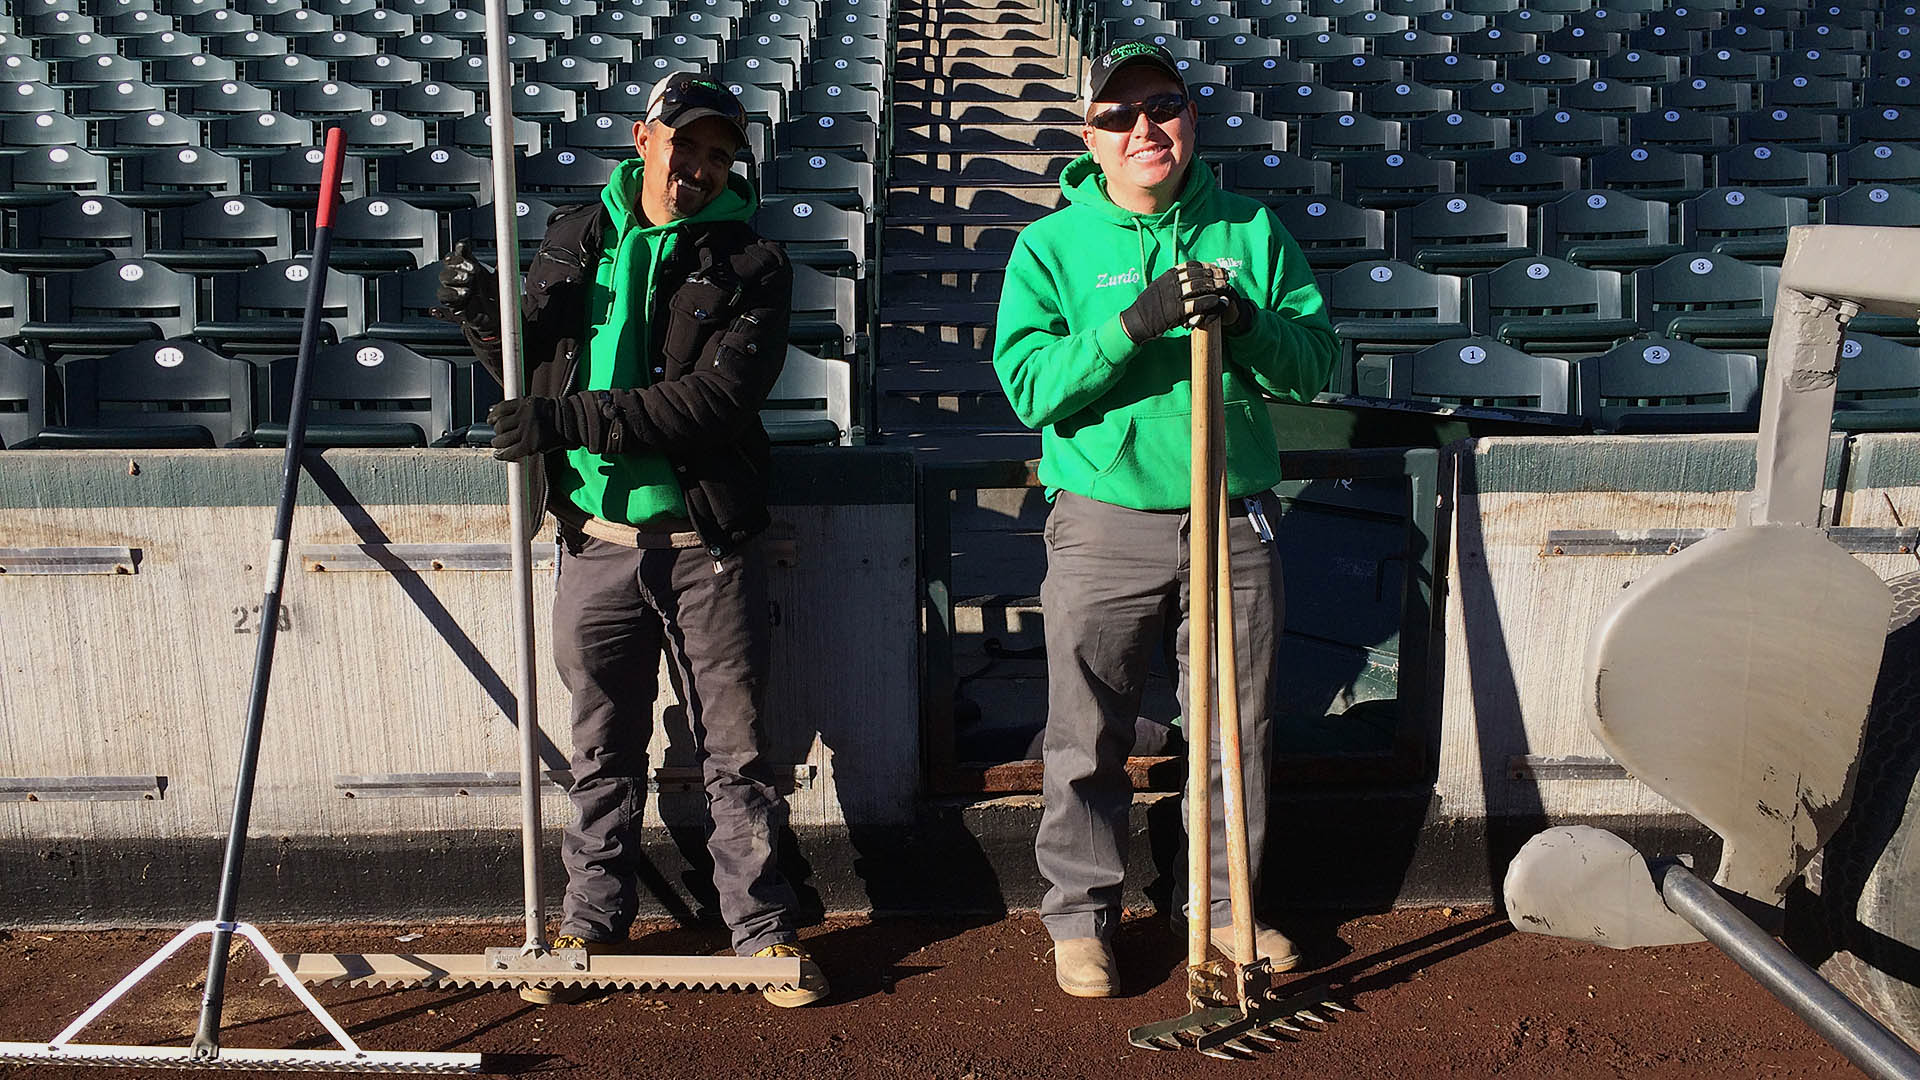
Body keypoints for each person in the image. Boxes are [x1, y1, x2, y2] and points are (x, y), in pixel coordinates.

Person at [436, 72, 827, 1008]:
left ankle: (763, 932)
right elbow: (534, 371)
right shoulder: (577, 236)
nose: (698, 168)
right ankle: (589, 922)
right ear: (644, 139)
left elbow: (713, 403)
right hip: (595, 539)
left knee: (735, 751)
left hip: (705, 542)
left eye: (718, 155)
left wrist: (565, 421)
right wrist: (480, 318)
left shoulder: (754, 264)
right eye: (684, 145)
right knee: (599, 745)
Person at [991, 40, 1339, 998]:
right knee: (1086, 729)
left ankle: (1227, 911)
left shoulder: (1248, 227)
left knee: (1236, 729)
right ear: (1090, 136)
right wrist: (1128, 327)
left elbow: (1316, 366)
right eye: (1119, 113)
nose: (1145, 127)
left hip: (1232, 511)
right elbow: (1027, 386)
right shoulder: (1050, 247)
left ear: (1190, 119)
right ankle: (1081, 918)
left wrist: (1252, 325)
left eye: (1164, 105)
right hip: (1105, 518)